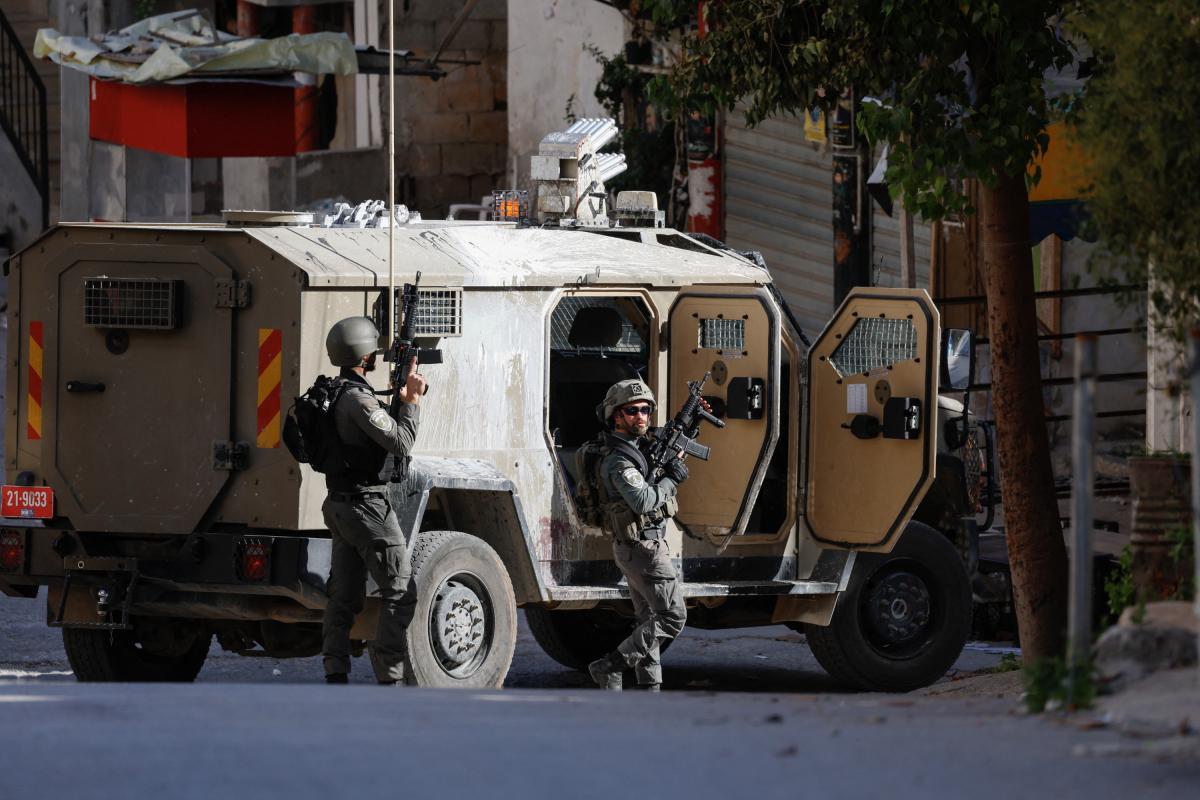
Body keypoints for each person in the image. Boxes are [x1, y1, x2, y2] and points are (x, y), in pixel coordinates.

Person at [321, 316, 426, 685]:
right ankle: (390, 677)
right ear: (366, 356)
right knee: (401, 592)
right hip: (367, 508)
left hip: (340, 505)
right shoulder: (357, 399)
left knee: (344, 596)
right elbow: (401, 443)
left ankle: (335, 670)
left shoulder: (334, 391)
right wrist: (411, 401)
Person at [587, 379, 688, 692]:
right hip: (643, 550)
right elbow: (643, 501)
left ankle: (649, 689)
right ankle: (610, 666)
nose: (641, 416)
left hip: (639, 547)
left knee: (649, 620)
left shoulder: (635, 450)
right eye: (632, 411)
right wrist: (671, 479)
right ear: (616, 416)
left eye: (645, 409)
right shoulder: (619, 459)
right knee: (672, 617)